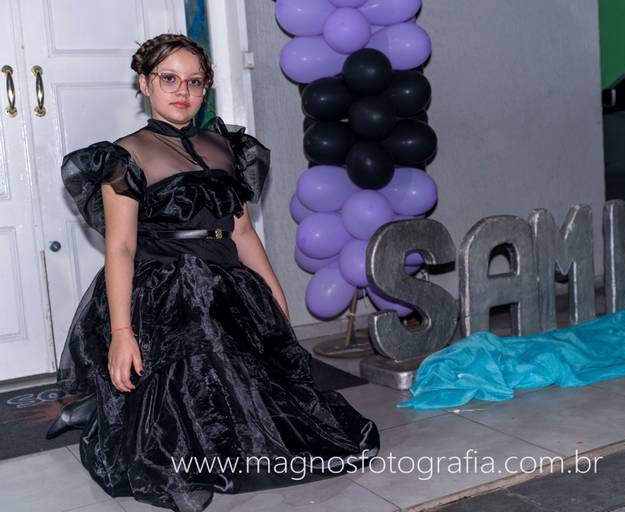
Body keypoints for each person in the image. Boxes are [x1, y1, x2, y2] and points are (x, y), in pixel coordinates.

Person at [48, 33, 380, 512]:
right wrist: (121, 333)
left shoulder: (225, 146)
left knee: (267, 402)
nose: (182, 91)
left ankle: (95, 407)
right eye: (169, 79)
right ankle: (115, 418)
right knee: (188, 391)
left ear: (206, 88)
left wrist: (275, 295)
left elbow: (242, 232)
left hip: (226, 283)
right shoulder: (127, 155)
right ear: (144, 84)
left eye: (194, 81)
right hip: (165, 289)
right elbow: (120, 247)